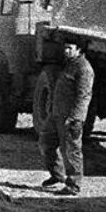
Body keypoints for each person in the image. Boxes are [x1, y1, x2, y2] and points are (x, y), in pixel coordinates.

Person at [39, 42, 94, 196]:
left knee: (71, 151)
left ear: (79, 50)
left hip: (70, 118)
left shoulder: (84, 68)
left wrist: (75, 118)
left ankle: (74, 185)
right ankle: (57, 175)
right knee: (46, 142)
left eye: (70, 48)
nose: (66, 51)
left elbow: (84, 96)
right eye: (65, 47)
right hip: (56, 114)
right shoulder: (69, 64)